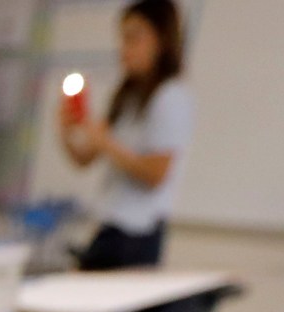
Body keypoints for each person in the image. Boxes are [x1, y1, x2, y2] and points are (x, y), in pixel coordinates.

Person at [58, 0, 192, 271]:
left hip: (138, 234)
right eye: (122, 38)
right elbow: (83, 159)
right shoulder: (127, 96)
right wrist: (66, 128)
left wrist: (105, 143)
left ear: (161, 40)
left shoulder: (171, 96)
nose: (124, 48)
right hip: (110, 225)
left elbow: (156, 173)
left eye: (134, 38)